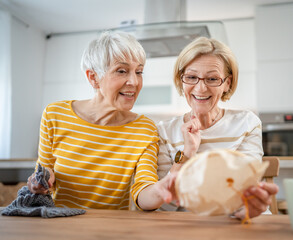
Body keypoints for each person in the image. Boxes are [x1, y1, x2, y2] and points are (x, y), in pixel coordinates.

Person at [27, 31, 176, 211]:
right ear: (93, 77)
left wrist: (160, 190)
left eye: (139, 71)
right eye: (122, 71)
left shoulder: (144, 129)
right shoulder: (55, 115)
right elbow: (46, 168)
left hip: (110, 229)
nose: (134, 81)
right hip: (60, 222)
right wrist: (41, 181)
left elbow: (142, 191)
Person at [157, 37, 279, 219]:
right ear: (181, 80)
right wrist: (188, 153)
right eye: (191, 77)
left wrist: (247, 206)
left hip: (241, 224)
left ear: (227, 83)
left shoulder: (247, 123)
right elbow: (164, 208)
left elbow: (245, 197)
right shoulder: (164, 131)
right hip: (187, 229)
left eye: (212, 78)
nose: (200, 88)